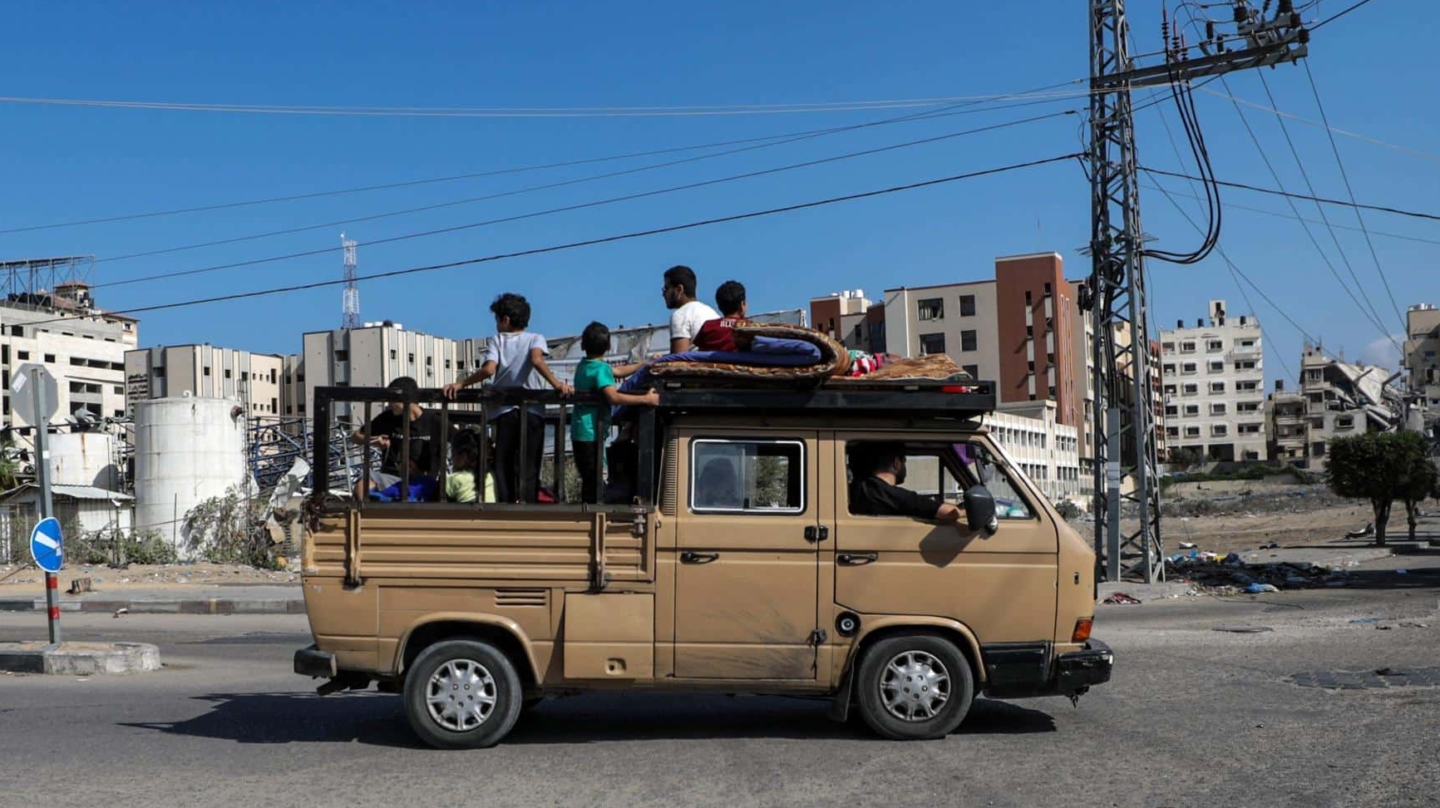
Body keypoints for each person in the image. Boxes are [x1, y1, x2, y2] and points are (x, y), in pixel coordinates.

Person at [444, 293, 573, 503]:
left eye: (496, 319)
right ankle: (528, 504)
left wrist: (461, 383)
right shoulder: (535, 338)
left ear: (505, 319)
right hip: (532, 411)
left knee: (504, 462)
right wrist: (557, 384)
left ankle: (506, 504)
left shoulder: (497, 340)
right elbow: (536, 359)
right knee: (529, 463)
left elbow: (489, 369)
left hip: (504, 411)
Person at [571, 322, 661, 504]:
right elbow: (613, 396)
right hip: (591, 433)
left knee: (589, 478)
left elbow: (618, 371)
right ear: (609, 346)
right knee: (595, 481)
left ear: (582, 346)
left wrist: (645, 364)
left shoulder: (585, 365)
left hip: (580, 429)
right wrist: (646, 399)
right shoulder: (601, 369)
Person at [350, 376, 438, 501]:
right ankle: (368, 515)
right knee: (364, 480)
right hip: (390, 478)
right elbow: (356, 436)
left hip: (421, 482)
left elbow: (458, 440)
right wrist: (373, 441)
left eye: (392, 399)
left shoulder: (433, 421)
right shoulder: (387, 417)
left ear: (405, 398)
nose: (389, 404)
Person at [849, 442, 962, 522]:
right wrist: (965, 511)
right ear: (896, 463)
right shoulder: (894, 496)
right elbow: (950, 513)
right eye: (904, 461)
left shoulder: (853, 489)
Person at [662, 265, 719, 354]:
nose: (663, 294)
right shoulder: (711, 312)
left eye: (666, 288)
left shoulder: (680, 315)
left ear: (679, 289)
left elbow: (678, 360)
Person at [693, 279, 748, 352]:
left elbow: (700, 350)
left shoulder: (708, 326)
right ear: (742, 304)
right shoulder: (750, 327)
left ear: (719, 306)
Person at [444, 430, 496, 504]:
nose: (452, 459)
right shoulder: (490, 476)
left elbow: (434, 507)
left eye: (453, 454)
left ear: (463, 456)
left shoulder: (454, 480)